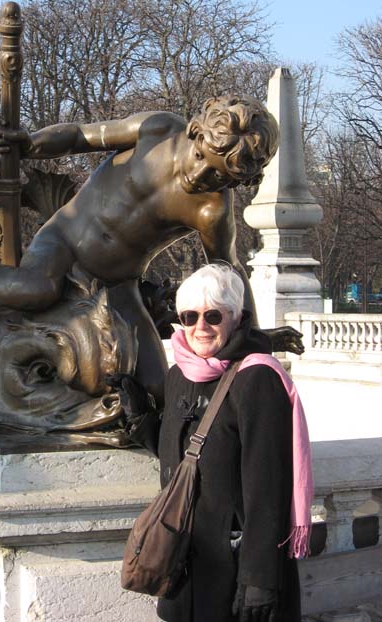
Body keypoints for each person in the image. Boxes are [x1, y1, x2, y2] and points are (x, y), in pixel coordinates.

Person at [0, 95, 301, 400]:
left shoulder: (211, 211)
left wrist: (254, 335)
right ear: (197, 133)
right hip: (63, 240)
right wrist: (29, 145)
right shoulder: (159, 130)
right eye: (204, 158)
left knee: (157, 386)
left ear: (237, 180)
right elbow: (83, 136)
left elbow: (228, 273)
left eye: (220, 176)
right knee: (35, 288)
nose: (202, 176)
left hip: (116, 282)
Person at [111, 263, 313, 622]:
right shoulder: (180, 375)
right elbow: (185, 459)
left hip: (235, 570)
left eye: (213, 315)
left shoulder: (258, 378)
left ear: (237, 318)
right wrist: (142, 418)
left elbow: (268, 490)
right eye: (189, 316)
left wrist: (260, 580)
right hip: (183, 562)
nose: (200, 327)